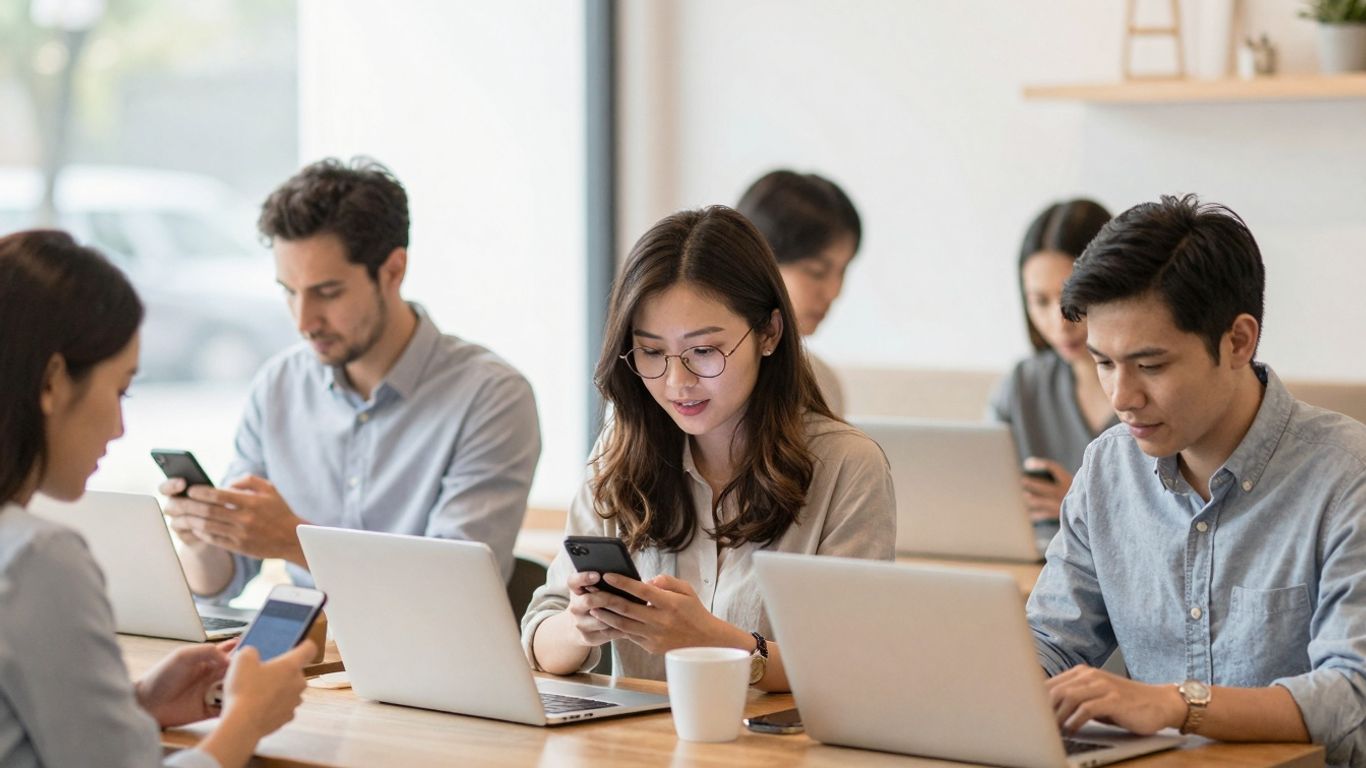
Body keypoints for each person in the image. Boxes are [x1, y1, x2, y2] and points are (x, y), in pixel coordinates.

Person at [1027, 195, 1366, 765]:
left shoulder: (1347, 475)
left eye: (1150, 366)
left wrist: (1178, 705)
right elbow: (1051, 641)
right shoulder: (1108, 469)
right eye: (1103, 363)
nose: (1121, 397)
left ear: (1238, 341)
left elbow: (1352, 696)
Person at [520, 206, 895, 689]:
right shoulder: (622, 449)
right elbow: (540, 632)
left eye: (703, 351)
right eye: (652, 352)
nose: (677, 382)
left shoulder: (848, 466)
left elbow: (850, 666)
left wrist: (713, 641)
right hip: (641, 735)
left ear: (769, 333)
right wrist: (580, 626)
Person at [0, 229, 314, 768]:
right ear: (52, 382)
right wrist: (246, 719)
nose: (120, 428)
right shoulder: (39, 558)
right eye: (119, 390)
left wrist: (138, 704)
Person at [162, 158, 541, 601]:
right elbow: (218, 584)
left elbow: (451, 591)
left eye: (327, 292)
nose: (304, 321)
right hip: (311, 640)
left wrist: (293, 541)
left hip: (423, 642)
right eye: (289, 292)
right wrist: (203, 537)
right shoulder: (279, 385)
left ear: (393, 271)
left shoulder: (491, 397)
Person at [990, 199, 1116, 535]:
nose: (1060, 323)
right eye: (1040, 301)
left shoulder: (1155, 391)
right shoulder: (1021, 386)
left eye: (1072, 298)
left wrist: (1082, 507)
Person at [736, 170, 861, 416]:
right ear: (757, 264)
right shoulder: (702, 377)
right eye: (816, 272)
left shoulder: (819, 384)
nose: (834, 292)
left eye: (842, 270)